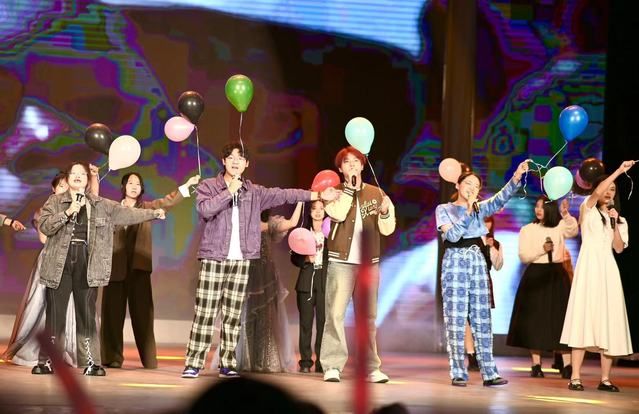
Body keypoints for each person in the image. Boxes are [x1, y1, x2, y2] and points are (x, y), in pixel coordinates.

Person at [181, 142, 337, 379]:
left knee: (233, 315)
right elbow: (205, 210)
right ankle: (193, 363)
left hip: (242, 259)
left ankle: (228, 363)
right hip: (214, 256)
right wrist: (229, 191)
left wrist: (316, 195)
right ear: (224, 161)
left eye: (240, 158)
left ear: (246, 164)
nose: (235, 161)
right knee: (205, 312)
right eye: (231, 157)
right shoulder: (209, 186)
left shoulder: (254, 192)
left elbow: (284, 194)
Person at [32, 161, 165, 376]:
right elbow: (45, 226)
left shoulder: (99, 204)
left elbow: (126, 214)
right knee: (55, 315)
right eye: (73, 173)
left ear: (87, 180)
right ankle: (47, 361)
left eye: (82, 174)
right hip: (59, 263)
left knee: (86, 315)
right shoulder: (55, 201)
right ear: (68, 178)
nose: (78, 176)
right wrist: (68, 212)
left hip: (86, 263)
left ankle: (91, 363)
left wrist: (152, 213)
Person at [435, 160, 529, 387]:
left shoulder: (481, 208)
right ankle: (458, 372)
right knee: (456, 319)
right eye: (468, 183)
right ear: (457, 185)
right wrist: (468, 211)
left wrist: (516, 176)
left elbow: (501, 198)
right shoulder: (444, 209)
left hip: (477, 260)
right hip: (454, 261)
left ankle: (489, 372)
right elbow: (453, 236)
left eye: (476, 186)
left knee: (482, 317)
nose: (472, 188)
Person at [100, 173, 200, 369]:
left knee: (143, 316)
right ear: (123, 187)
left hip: (139, 268)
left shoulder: (147, 208)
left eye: (138, 183)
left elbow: (168, 202)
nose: (134, 186)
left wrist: (187, 185)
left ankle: (148, 359)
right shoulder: (113, 209)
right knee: (112, 315)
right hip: (115, 268)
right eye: (130, 183)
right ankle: (112, 358)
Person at [2, 167, 99, 366]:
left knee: (74, 305)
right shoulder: (45, 210)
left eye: (66, 186)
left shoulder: (77, 206)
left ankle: (73, 350)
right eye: (60, 186)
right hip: (50, 261)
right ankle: (44, 351)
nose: (64, 189)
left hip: (72, 260)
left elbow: (95, 202)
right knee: (43, 305)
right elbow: (44, 238)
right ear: (53, 189)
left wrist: (94, 177)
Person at [320, 146, 396, 383]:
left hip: (368, 264)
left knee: (368, 317)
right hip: (340, 262)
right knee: (335, 314)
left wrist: (385, 212)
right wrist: (349, 191)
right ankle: (332, 365)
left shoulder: (376, 193)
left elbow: (387, 229)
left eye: (356, 161)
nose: (352, 165)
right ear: (340, 169)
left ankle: (371, 367)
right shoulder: (332, 192)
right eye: (347, 162)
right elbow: (338, 214)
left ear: (363, 165)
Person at [561, 160, 635, 392]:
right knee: (583, 319)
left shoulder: (619, 220)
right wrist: (619, 171)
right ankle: (575, 377)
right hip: (589, 268)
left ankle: (605, 379)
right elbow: (596, 193)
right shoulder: (588, 207)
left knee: (608, 321)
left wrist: (614, 224)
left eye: (613, 190)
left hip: (608, 271)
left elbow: (619, 248)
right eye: (606, 188)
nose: (609, 192)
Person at [507, 196, 578, 379]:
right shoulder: (527, 229)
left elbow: (573, 230)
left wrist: (565, 214)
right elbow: (524, 256)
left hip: (557, 275)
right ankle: (536, 365)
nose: (538, 210)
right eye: (537, 206)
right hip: (535, 275)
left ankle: (568, 365)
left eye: (542, 207)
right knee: (535, 321)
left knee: (560, 319)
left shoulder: (559, 226)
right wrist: (542, 249)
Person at [234, 202, 303, 372]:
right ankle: (245, 360)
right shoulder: (241, 221)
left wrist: (301, 200)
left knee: (266, 319)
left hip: (266, 277)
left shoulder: (269, 223)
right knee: (245, 318)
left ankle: (263, 361)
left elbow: (292, 223)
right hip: (246, 275)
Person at [291, 200, 329, 373]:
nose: (318, 212)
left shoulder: (331, 233)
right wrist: (306, 258)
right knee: (306, 323)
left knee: (323, 323)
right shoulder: (303, 232)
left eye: (321, 208)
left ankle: (321, 361)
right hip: (306, 280)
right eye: (314, 208)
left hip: (324, 279)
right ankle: (305, 362)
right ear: (310, 211)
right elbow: (293, 258)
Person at [465, 215, 503, 371]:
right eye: (483, 220)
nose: (486, 224)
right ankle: (471, 355)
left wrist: (491, 248)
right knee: (468, 319)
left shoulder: (495, 243)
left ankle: (483, 355)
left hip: (484, 280)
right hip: (468, 279)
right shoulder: (468, 238)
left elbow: (498, 265)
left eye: (488, 221)